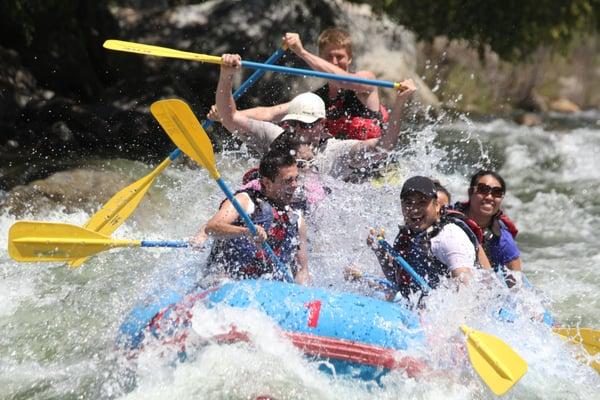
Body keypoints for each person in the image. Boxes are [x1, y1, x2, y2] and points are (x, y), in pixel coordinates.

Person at [215, 53, 416, 182]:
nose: (300, 130)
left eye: (307, 124)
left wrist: (400, 104)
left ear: (321, 125)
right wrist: (226, 75)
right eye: (295, 123)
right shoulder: (274, 137)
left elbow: (385, 146)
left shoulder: (337, 152)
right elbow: (230, 116)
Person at [238, 29, 388, 141]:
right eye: (328, 57)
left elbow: (344, 81)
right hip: (342, 176)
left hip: (375, 171)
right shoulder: (317, 99)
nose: (334, 61)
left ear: (350, 58)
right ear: (320, 58)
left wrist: (302, 52)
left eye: (340, 56)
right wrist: (230, 114)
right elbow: (270, 113)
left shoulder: (366, 81)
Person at [197, 150, 309, 284]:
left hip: (265, 291)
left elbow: (302, 271)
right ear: (267, 183)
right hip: (225, 283)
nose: (295, 185)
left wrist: (303, 294)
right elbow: (211, 228)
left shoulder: (297, 221)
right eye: (288, 181)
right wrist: (246, 231)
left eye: (296, 179)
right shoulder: (245, 202)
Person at [368, 176, 476, 301]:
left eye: (422, 202)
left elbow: (466, 289)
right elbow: (399, 281)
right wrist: (379, 252)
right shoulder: (408, 235)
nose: (414, 209)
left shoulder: (449, 236)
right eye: (408, 203)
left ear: (436, 205)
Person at [451, 170, 521, 287]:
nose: (489, 197)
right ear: (470, 192)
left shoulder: (503, 240)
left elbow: (517, 288)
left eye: (497, 192)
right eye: (483, 189)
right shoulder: (449, 220)